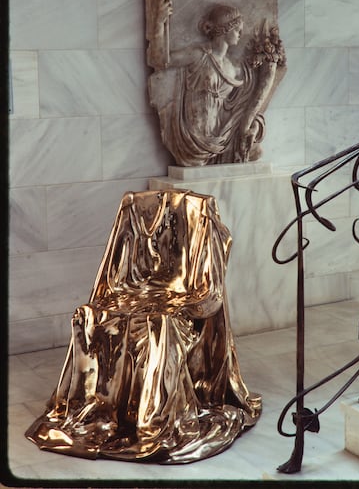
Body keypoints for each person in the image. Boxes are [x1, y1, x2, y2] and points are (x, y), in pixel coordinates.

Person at [26, 189, 262, 464]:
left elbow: (208, 292)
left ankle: (151, 420)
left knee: (160, 324)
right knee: (90, 315)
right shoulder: (130, 207)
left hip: (182, 292)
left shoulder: (203, 216)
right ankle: (103, 410)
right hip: (137, 291)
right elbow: (115, 277)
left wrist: (177, 300)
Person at [150, 0, 285, 166]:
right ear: (225, 29)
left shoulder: (234, 68)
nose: (240, 34)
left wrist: (253, 124)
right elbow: (159, 60)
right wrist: (159, 21)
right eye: (237, 29)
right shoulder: (199, 55)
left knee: (255, 152)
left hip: (223, 137)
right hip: (194, 140)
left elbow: (242, 106)